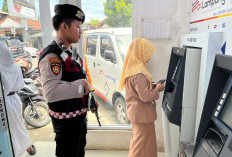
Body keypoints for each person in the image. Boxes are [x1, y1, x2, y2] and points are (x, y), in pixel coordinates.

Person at [38, 4, 91, 157]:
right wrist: (82, 87)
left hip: (79, 118)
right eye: (78, 26)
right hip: (67, 125)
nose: (81, 32)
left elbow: (77, 74)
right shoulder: (52, 55)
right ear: (64, 26)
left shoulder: (70, 50)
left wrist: (89, 97)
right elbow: (51, 92)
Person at [118, 38, 165, 157]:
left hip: (136, 113)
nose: (149, 58)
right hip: (142, 115)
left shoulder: (132, 69)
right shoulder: (139, 73)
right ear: (140, 52)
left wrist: (151, 86)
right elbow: (145, 97)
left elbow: (136, 91)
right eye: (147, 53)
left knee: (142, 143)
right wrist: (158, 89)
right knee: (141, 145)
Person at [0, 42, 36, 156]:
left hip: (3, 102)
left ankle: (14, 152)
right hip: (16, 99)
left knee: (8, 134)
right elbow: (20, 85)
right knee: (19, 126)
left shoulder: (1, 69)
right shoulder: (15, 66)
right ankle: (28, 146)